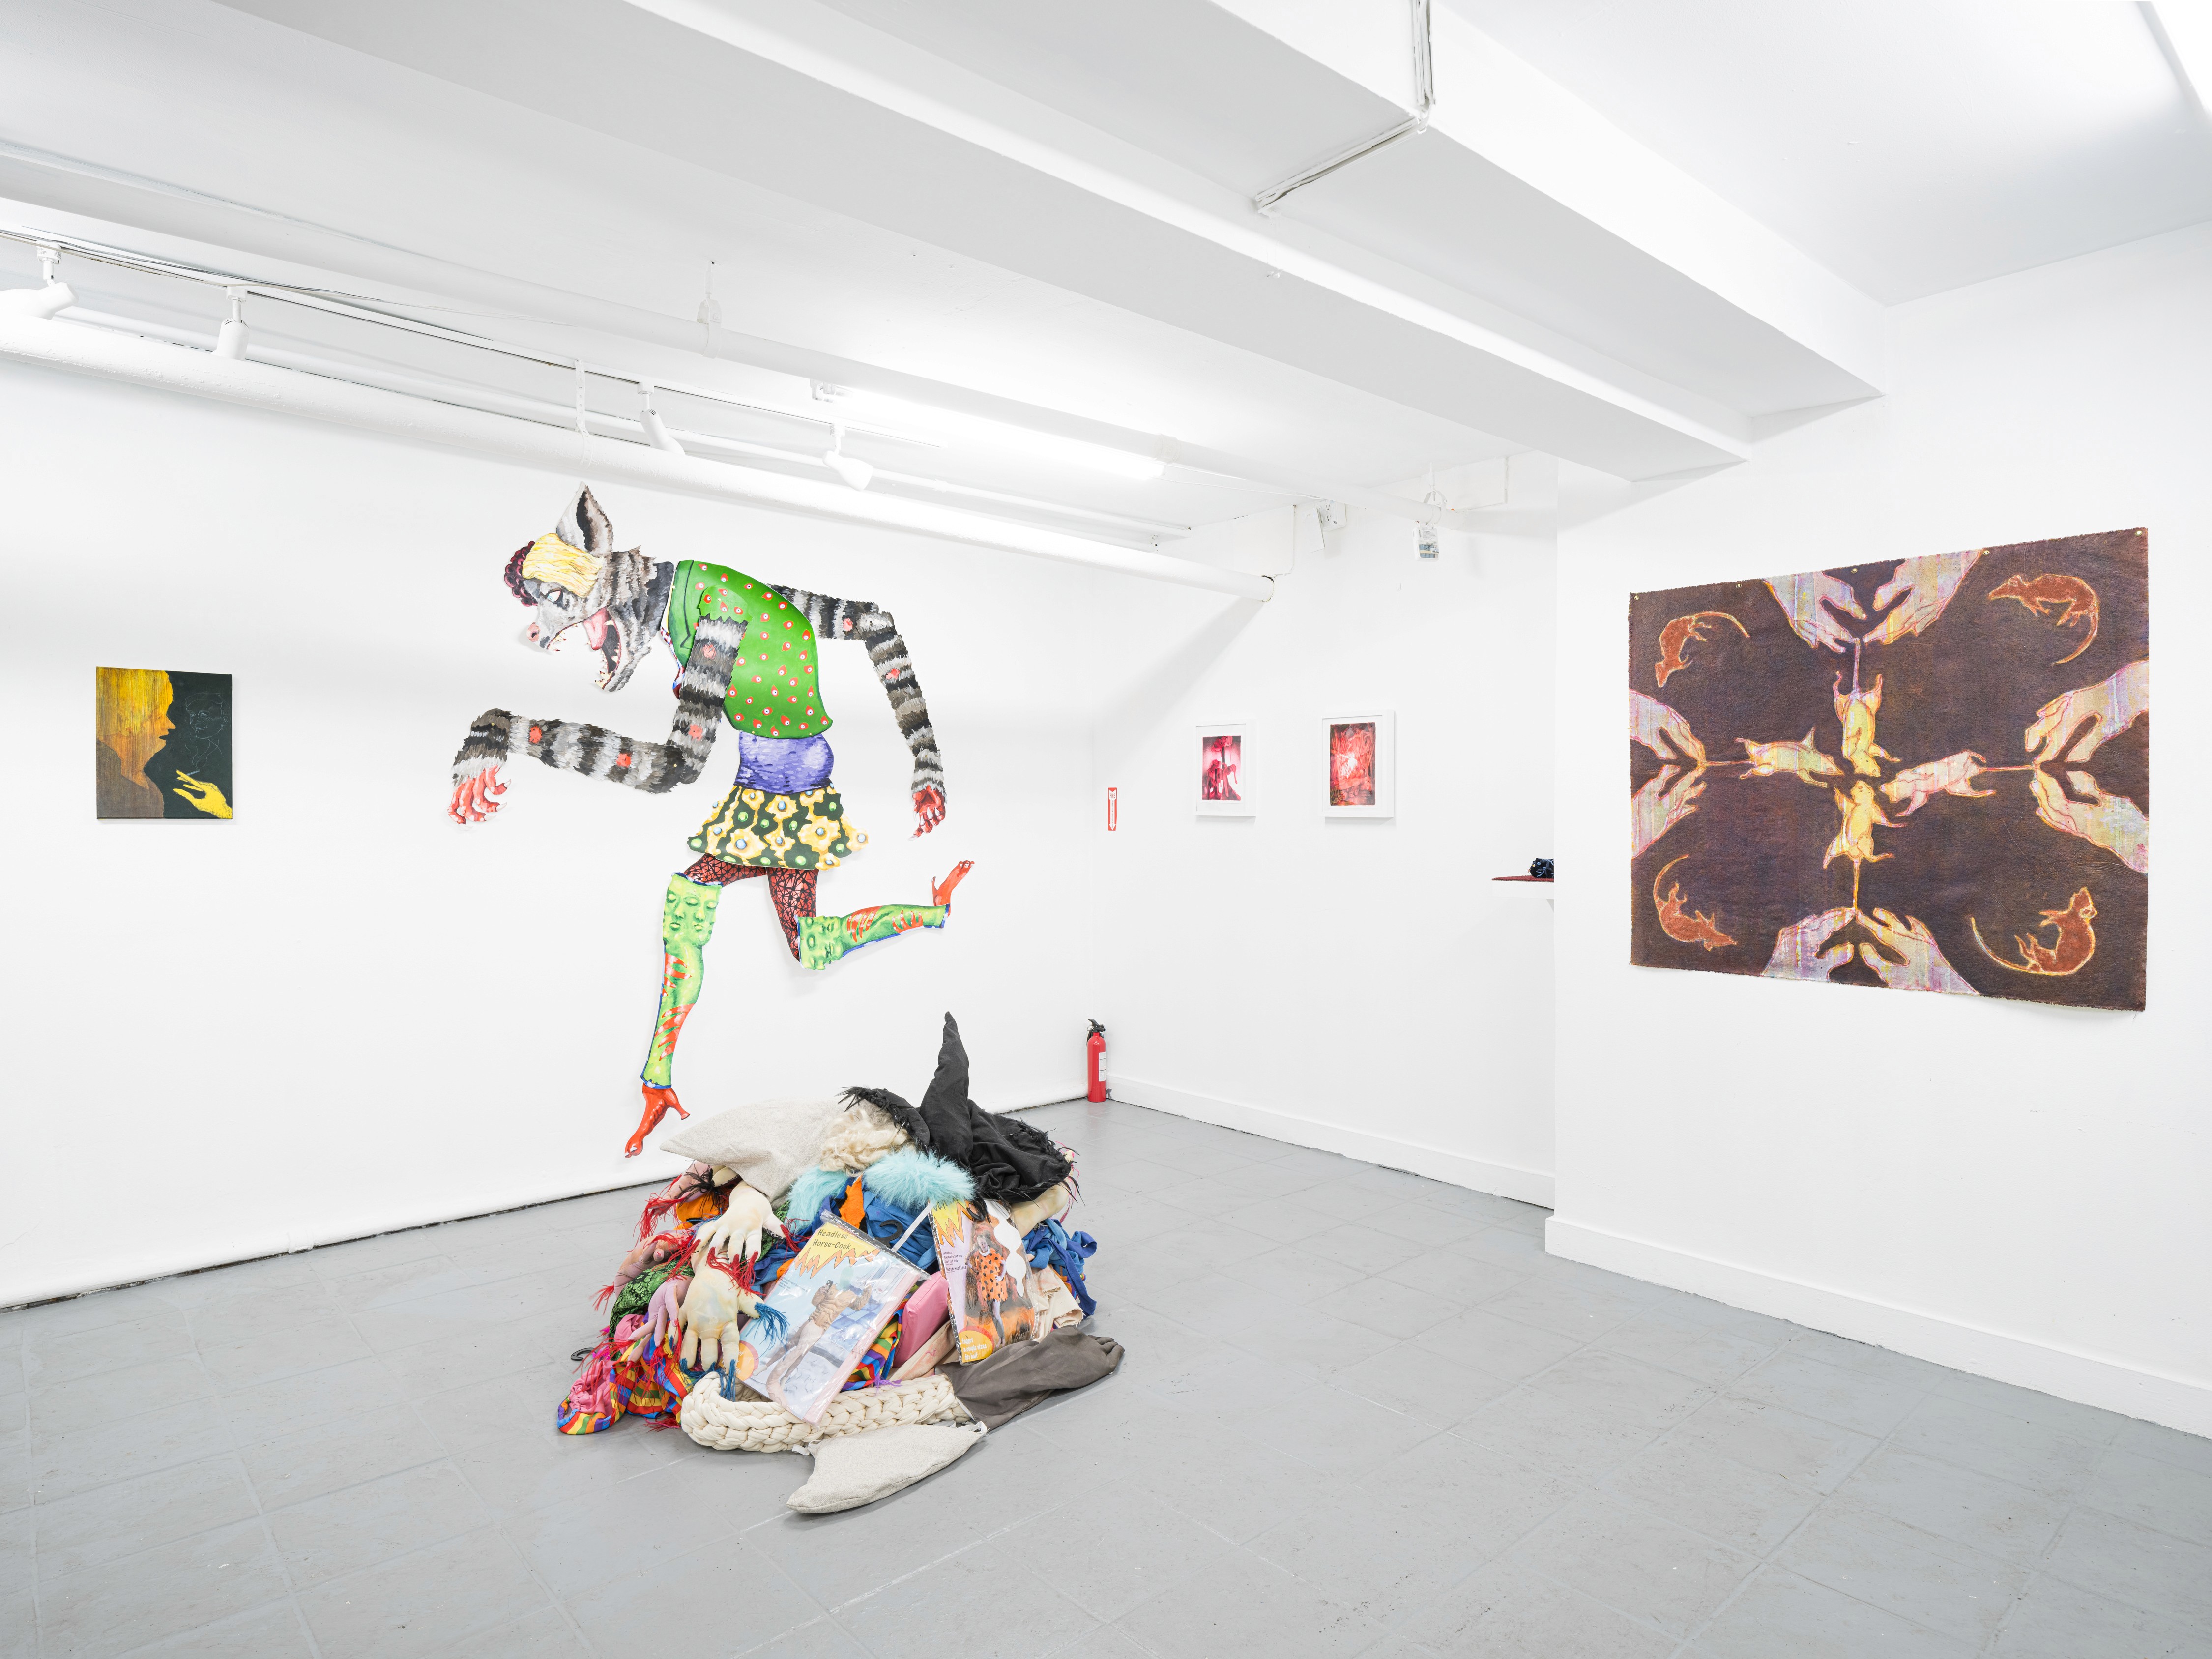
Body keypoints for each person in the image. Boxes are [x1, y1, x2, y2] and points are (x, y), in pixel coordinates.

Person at [447, 486, 974, 1155]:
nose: (548, 635)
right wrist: (926, 761)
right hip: (765, 790)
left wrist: (505, 731)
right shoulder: (705, 591)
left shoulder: (716, 619)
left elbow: (672, 768)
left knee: (763, 929)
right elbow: (872, 621)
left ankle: (659, 1077)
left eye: (559, 608)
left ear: (608, 585)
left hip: (789, 804)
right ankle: (660, 1078)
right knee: (729, 914)